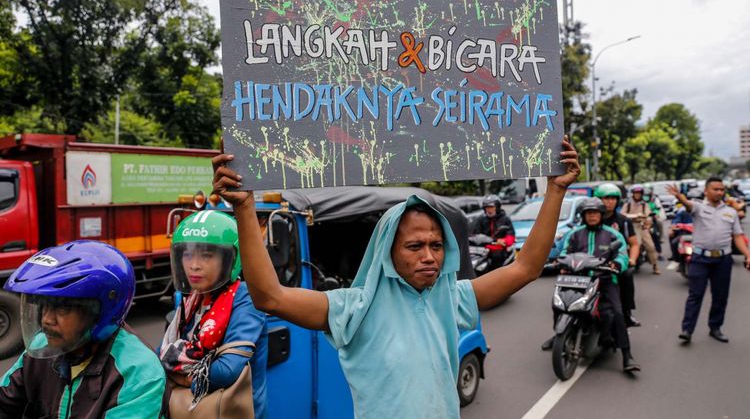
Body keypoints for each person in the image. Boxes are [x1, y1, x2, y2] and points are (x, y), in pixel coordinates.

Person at [211, 138, 580, 418]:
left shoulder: (452, 296)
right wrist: (245, 208)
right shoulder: (353, 307)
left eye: (437, 245)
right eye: (414, 246)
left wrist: (556, 190)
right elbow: (269, 297)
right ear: (388, 251)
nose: (429, 256)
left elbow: (526, 268)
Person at [0, 240, 168, 418]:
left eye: (63, 308)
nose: (46, 320)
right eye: (42, 306)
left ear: (98, 313)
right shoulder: (43, 345)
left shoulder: (139, 373)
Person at [159, 210, 268, 417]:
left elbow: (226, 371)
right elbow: (160, 356)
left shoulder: (246, 299)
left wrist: (178, 377)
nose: (194, 265)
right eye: (188, 254)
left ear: (230, 259)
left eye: (207, 255)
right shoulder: (192, 298)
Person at [541, 198, 640, 372]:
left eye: (595, 213)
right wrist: (561, 263)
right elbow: (565, 253)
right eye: (588, 213)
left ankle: (627, 355)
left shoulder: (613, 234)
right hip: (577, 278)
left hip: (604, 279)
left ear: (601, 215)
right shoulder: (574, 234)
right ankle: (559, 334)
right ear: (583, 216)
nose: (592, 216)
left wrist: (616, 264)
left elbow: (622, 255)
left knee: (617, 312)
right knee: (559, 304)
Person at [668, 177, 750, 343]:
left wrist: (748, 254)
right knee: (695, 295)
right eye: (715, 189)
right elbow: (688, 205)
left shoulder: (731, 212)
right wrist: (679, 197)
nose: (719, 192)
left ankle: (715, 328)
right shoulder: (698, 208)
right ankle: (687, 330)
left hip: (723, 259)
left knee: (720, 296)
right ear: (706, 191)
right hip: (700, 258)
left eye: (721, 189)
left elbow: (738, 236)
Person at [595, 183, 641, 327]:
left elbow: (634, 244)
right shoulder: (591, 217)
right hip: (592, 260)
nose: (610, 202)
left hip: (616, 261)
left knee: (627, 275)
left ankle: (627, 314)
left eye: (613, 199)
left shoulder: (623, 221)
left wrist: (631, 259)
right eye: (606, 198)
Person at [622, 184, 661, 274]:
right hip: (631, 226)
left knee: (650, 246)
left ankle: (655, 265)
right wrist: (633, 216)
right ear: (633, 194)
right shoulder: (627, 204)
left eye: (639, 193)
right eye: (636, 193)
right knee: (630, 245)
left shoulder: (644, 204)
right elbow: (622, 214)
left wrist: (647, 221)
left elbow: (648, 216)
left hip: (642, 227)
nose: (637, 195)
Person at [472, 194, 516, 268]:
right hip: (483, 249)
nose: (489, 210)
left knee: (497, 258)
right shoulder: (481, 219)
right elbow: (475, 235)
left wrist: (503, 241)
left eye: (491, 207)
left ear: (497, 207)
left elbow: (511, 235)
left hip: (499, 249)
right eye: (487, 208)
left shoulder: (505, 219)